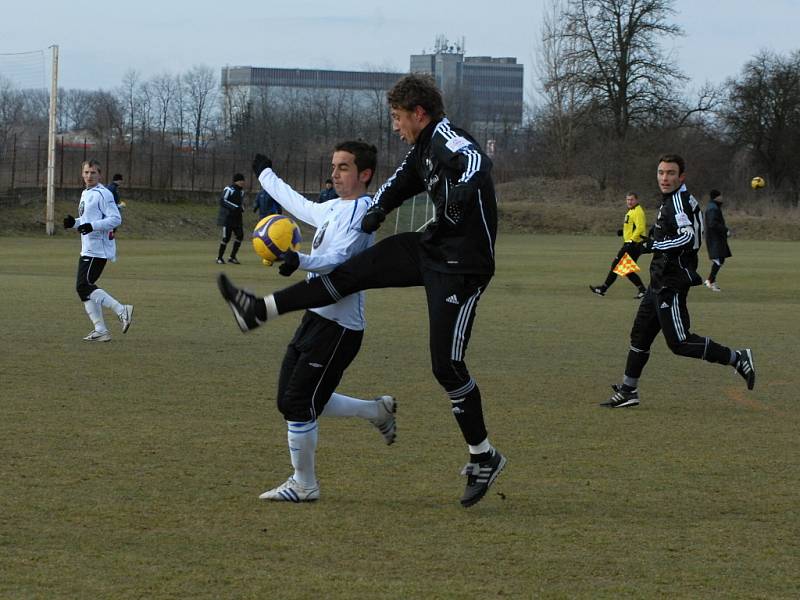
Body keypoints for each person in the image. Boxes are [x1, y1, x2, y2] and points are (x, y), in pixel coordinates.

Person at [218, 73, 505, 508]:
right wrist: (379, 212)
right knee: (351, 273)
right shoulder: (421, 151)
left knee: (446, 366)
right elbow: (398, 183)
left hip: (463, 267)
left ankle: (483, 455)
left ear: (419, 114)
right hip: (431, 247)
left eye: (397, 117)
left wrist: (464, 190)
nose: (395, 126)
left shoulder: (445, 138)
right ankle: (261, 309)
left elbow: (474, 162)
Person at [225, 140, 396, 503]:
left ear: (364, 174)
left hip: (340, 329)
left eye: (343, 168)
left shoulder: (364, 213)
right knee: (290, 399)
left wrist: (298, 260)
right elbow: (297, 204)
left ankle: (305, 485)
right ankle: (375, 410)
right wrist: (266, 174)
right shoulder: (334, 207)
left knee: (299, 402)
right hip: (314, 318)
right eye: (333, 166)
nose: (334, 174)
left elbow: (339, 259)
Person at [602, 154, 755, 409]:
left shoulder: (678, 202)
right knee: (640, 335)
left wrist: (653, 244)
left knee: (680, 342)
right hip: (658, 280)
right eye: (661, 172)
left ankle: (737, 358)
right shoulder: (672, 200)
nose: (665, 177)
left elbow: (688, 238)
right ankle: (629, 391)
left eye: (671, 173)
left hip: (672, 282)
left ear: (681, 176)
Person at [62, 159, 133, 342]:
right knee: (83, 290)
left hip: (99, 250)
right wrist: (74, 223)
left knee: (83, 286)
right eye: (86, 172)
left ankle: (121, 309)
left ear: (100, 175)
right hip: (87, 248)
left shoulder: (104, 193)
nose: (89, 176)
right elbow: (87, 221)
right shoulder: (86, 193)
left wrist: (91, 226)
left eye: (93, 172)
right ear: (82, 174)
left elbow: (115, 219)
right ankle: (100, 330)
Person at [589, 192, 648, 299]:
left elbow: (640, 228)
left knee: (616, 265)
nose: (629, 202)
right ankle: (643, 290)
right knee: (626, 269)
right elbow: (632, 227)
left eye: (632, 200)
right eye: (628, 200)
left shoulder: (638, 212)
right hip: (633, 244)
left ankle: (603, 289)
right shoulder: (632, 211)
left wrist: (631, 241)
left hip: (633, 245)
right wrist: (623, 232)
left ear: (636, 200)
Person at [704, 189, 732, 292]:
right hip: (714, 238)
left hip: (716, 238)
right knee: (718, 260)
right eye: (720, 196)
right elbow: (712, 224)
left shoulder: (714, 206)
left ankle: (711, 281)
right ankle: (710, 281)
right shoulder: (713, 208)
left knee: (720, 259)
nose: (722, 197)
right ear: (716, 197)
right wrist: (725, 230)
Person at [216, 173, 246, 265]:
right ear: (237, 181)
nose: (243, 182)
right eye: (241, 180)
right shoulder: (229, 189)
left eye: (243, 181)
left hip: (237, 219)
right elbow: (222, 201)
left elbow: (240, 203)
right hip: (228, 218)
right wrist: (235, 207)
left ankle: (232, 257)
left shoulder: (242, 192)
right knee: (226, 238)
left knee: (240, 236)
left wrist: (242, 208)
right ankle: (219, 258)